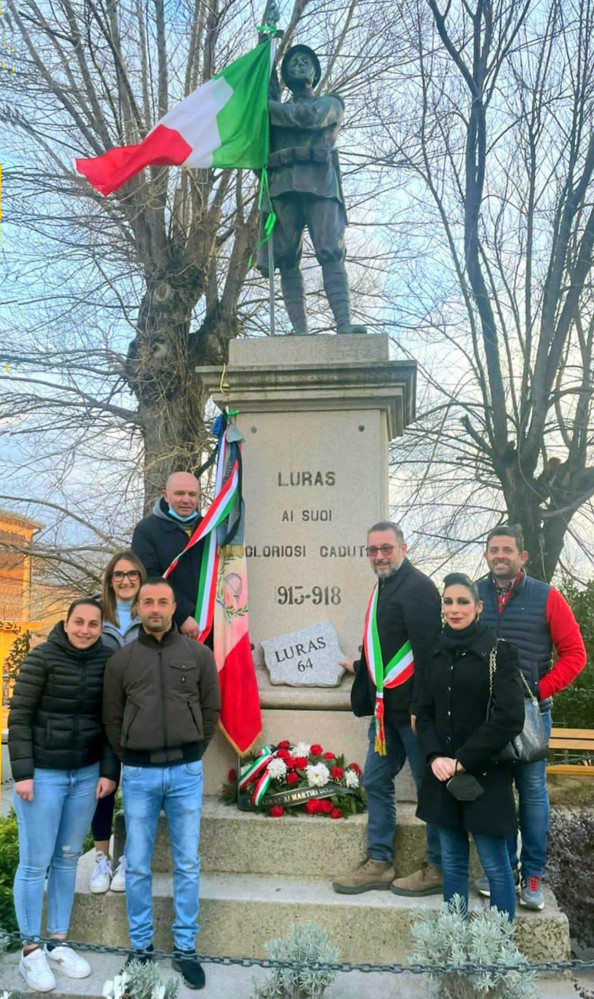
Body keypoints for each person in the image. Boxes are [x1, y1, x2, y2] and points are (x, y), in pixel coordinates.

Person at [102, 578, 220, 990]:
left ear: (173, 608)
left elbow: (210, 709)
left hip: (186, 773)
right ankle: (141, 948)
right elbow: (112, 717)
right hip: (138, 774)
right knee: (136, 864)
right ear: (138, 609)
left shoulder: (198, 654)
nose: (155, 608)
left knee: (187, 863)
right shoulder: (121, 661)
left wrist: (193, 752)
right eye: (147, 602)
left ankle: (185, 949)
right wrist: (129, 755)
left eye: (163, 602)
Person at [8, 598, 118, 994]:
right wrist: (23, 774)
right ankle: (30, 949)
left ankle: (57, 941)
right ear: (67, 623)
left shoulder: (107, 660)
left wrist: (108, 771)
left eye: (93, 624)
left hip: (86, 776)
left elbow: (109, 721)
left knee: (68, 858)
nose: (86, 629)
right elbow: (19, 715)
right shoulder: (42, 658)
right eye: (79, 622)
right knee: (35, 862)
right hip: (43, 776)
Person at [475, 524, 587, 910]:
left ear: (522, 556)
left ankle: (534, 874)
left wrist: (540, 690)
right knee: (498, 795)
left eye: (507, 549)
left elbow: (575, 655)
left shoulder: (547, 597)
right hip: (488, 718)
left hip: (531, 716)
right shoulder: (474, 595)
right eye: (493, 549)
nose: (500, 555)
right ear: (487, 555)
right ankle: (503, 871)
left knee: (533, 793)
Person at [332, 521, 443, 896]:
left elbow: (428, 655)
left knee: (429, 788)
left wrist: (421, 707)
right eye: (372, 550)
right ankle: (380, 861)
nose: (379, 556)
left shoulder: (420, 589)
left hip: (412, 714)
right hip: (385, 715)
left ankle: (438, 866)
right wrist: (359, 669)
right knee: (376, 780)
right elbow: (390, 650)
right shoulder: (383, 587)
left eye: (385, 548)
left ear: (403, 548)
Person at [416, 573, 525, 919]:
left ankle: (498, 947)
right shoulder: (433, 651)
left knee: (495, 866)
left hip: (485, 774)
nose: (454, 609)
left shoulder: (499, 652)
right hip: (442, 774)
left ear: (478, 607)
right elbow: (423, 711)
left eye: (463, 602)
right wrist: (434, 756)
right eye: (448, 601)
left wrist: (462, 760)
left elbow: (509, 718)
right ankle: (453, 942)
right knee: (452, 862)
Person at [258, 44, 367, 336]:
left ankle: (343, 324)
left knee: (330, 251)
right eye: (292, 62)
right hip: (282, 186)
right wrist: (265, 42)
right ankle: (299, 330)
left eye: (306, 61)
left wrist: (269, 109)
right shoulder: (272, 109)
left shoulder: (332, 102)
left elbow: (310, 116)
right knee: (285, 258)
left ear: (316, 73)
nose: (299, 65)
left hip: (320, 184)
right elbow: (263, 91)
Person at [89, 551, 147, 896]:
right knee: (104, 788)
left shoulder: (152, 616)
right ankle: (101, 858)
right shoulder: (95, 616)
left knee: (137, 791)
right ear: (110, 580)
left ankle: (128, 857)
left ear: (141, 579)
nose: (126, 581)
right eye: (119, 575)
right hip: (101, 716)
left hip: (141, 718)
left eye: (133, 575)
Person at [131, 471, 205, 639]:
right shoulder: (146, 530)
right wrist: (182, 615)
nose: (186, 500)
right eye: (179, 493)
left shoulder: (209, 529)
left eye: (192, 494)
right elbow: (149, 578)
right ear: (165, 495)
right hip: (169, 627)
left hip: (211, 623)